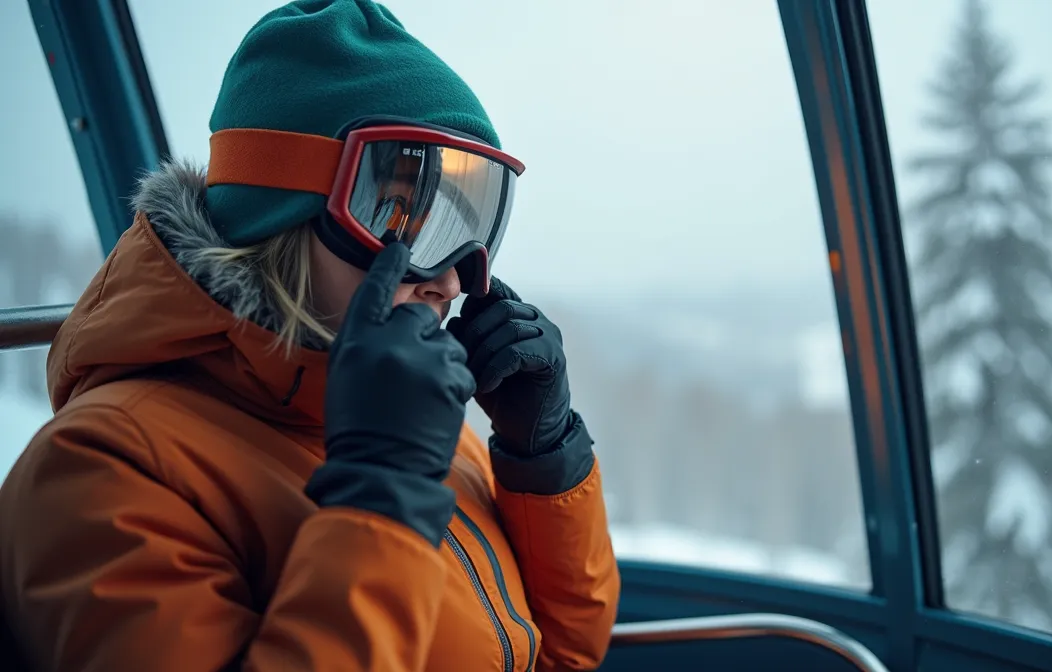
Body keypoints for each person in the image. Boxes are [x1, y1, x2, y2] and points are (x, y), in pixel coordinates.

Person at [0, 1, 620, 670]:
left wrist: (542, 456)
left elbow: (561, 653)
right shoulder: (104, 469)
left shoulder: (404, 420)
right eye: (403, 222)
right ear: (284, 219)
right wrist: (381, 497)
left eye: (471, 222)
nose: (451, 282)